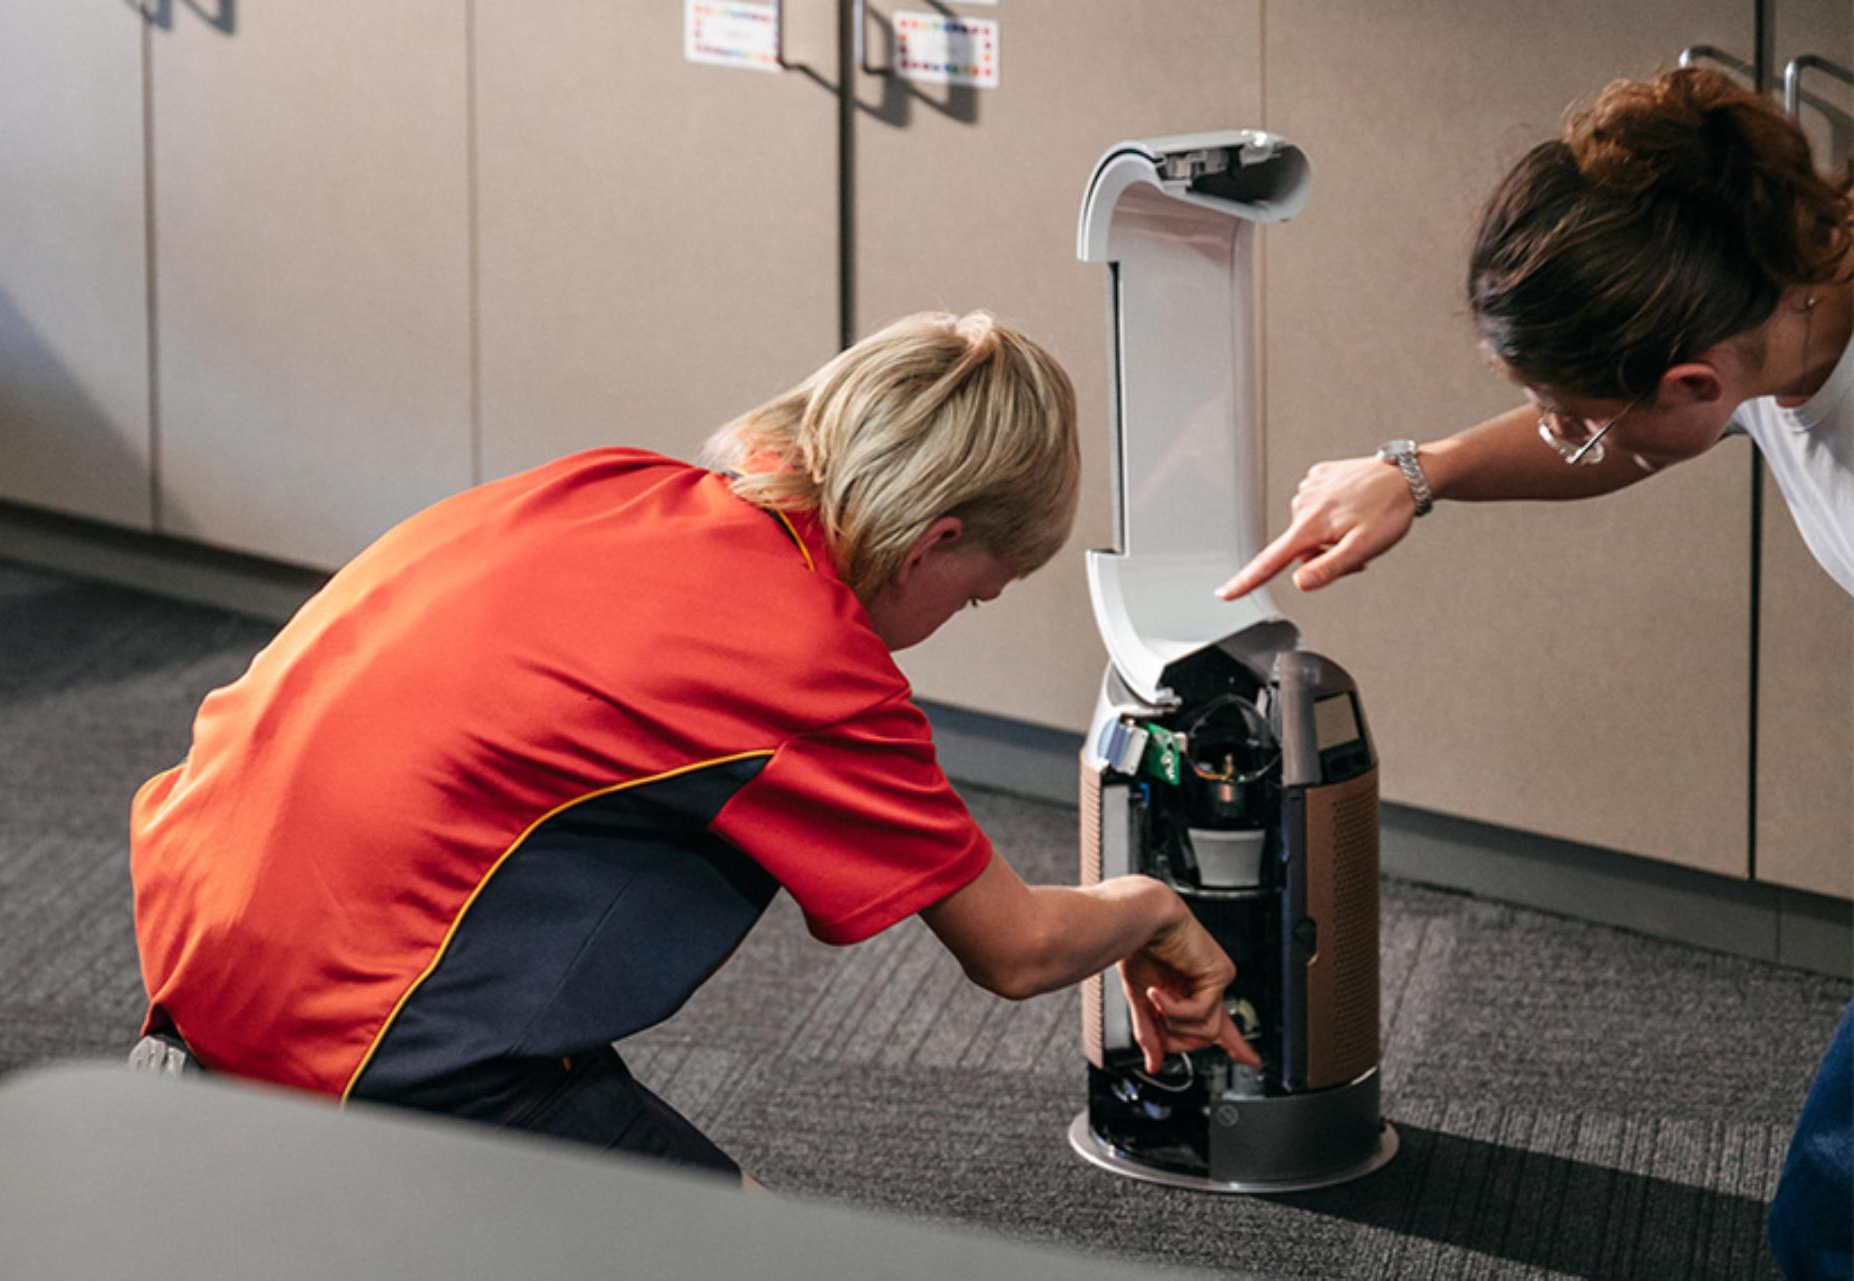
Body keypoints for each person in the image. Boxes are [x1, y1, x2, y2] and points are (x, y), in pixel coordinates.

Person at [131, 310, 1260, 1184]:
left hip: (198, 950)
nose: (966, 614)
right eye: (980, 594)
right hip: (358, 1038)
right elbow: (1012, 950)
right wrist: (1155, 911)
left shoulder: (618, 484)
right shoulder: (803, 656)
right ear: (934, 542)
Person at [1216, 67, 1852, 1280]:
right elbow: (1643, 441)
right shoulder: (1769, 292)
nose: (1570, 435)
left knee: (1831, 1217)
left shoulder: (1750, 333)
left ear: (1695, 383)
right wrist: (1422, 471)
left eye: (1573, 415)